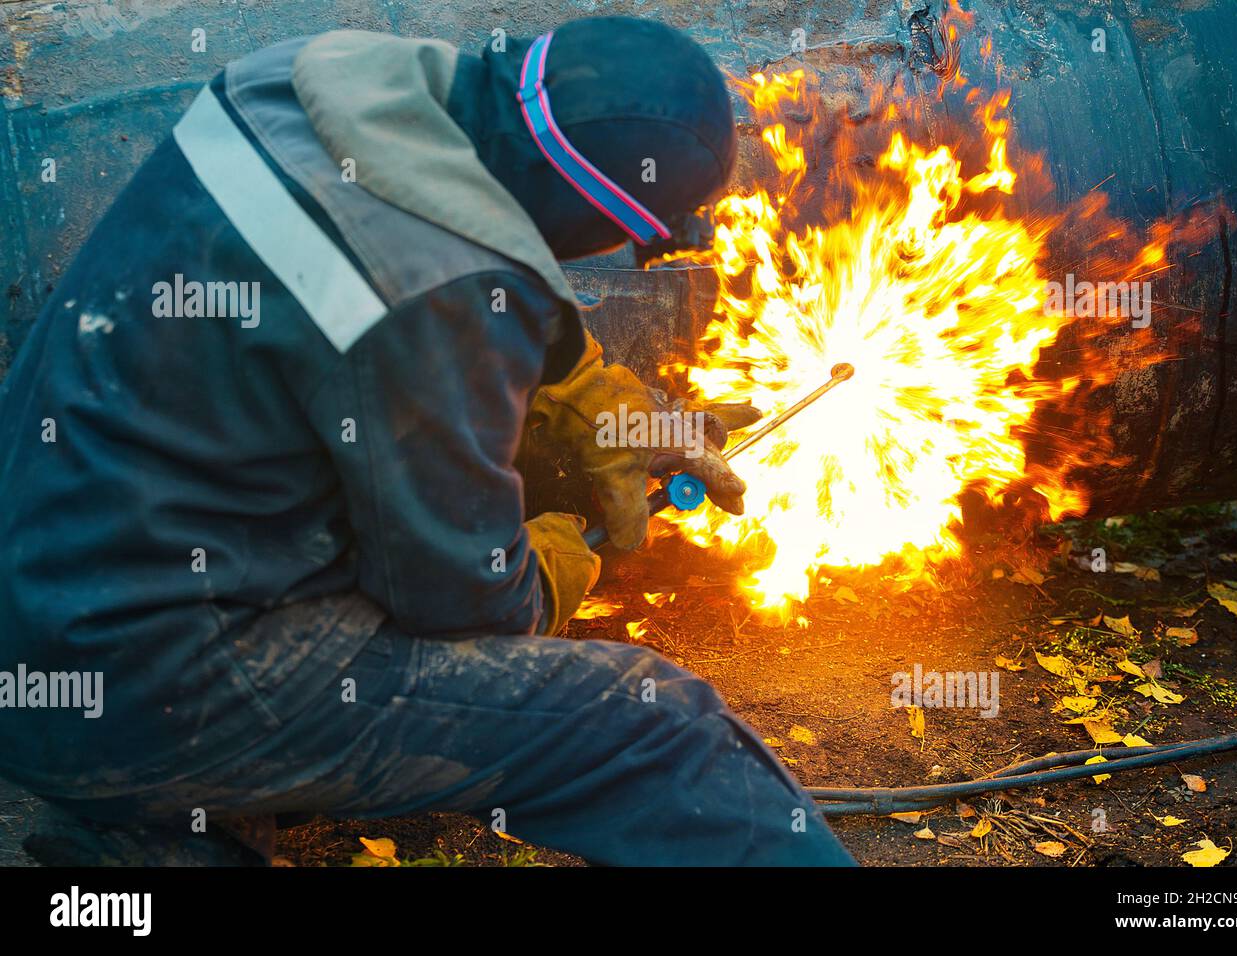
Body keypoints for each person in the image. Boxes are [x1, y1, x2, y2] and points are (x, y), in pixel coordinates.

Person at [0, 15, 855, 866]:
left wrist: (604, 404)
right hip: (151, 687)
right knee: (651, 724)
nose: (625, 254)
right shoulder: (437, 296)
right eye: (632, 235)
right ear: (593, 203)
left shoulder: (295, 85)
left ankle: (172, 836)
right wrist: (554, 562)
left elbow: (440, 268)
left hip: (48, 608)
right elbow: (463, 609)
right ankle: (176, 775)